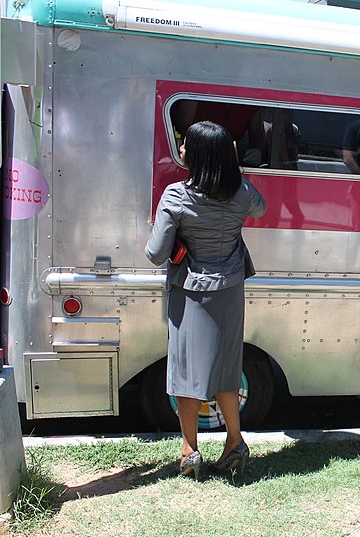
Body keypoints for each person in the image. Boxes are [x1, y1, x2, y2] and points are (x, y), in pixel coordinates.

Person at [145, 121, 267, 478]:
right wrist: (233, 166)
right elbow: (259, 209)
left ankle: (189, 451)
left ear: (197, 155)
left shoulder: (176, 195)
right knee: (227, 370)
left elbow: (155, 254)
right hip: (230, 289)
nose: (180, 148)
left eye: (185, 145)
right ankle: (234, 440)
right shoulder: (241, 191)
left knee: (187, 372)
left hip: (191, 292)